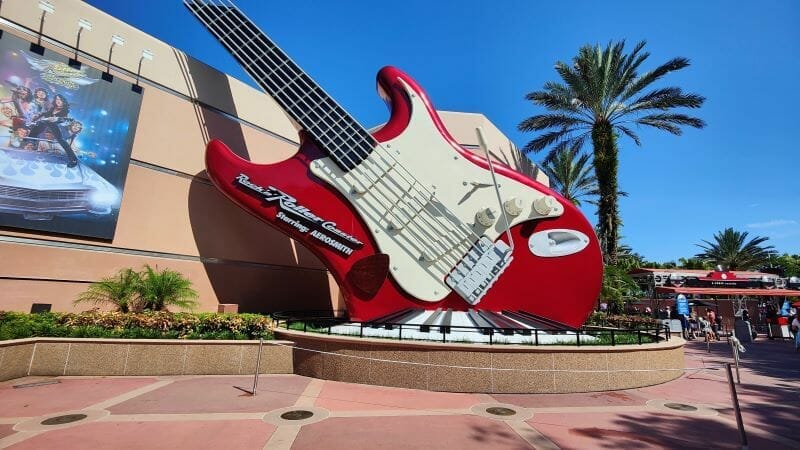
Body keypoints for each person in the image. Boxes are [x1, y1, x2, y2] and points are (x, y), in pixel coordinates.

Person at [27, 94, 78, 167]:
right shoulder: (53, 108)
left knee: (61, 140)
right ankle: (29, 141)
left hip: (58, 126)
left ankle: (73, 160)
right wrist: (37, 117)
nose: (58, 101)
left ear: (63, 101)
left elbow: (66, 119)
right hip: (48, 125)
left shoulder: (65, 109)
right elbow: (45, 114)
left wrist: (57, 119)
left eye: (60, 99)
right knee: (39, 124)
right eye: (57, 99)